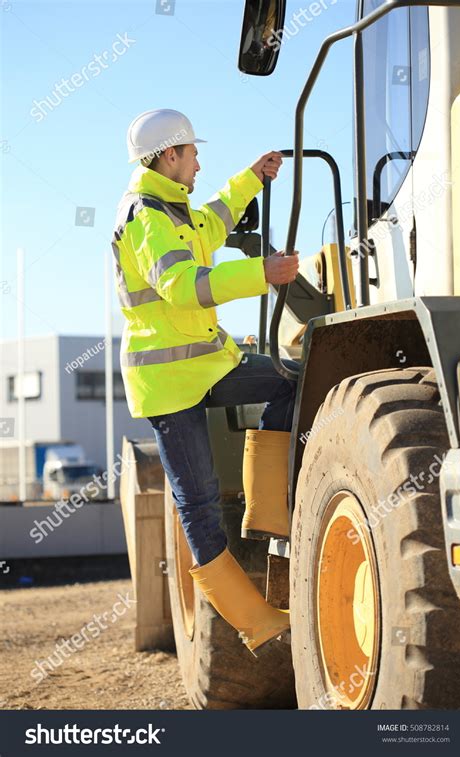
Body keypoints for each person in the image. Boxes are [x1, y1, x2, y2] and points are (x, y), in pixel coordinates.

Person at [113, 108, 299, 655]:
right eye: (193, 153)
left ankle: (266, 516)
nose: (199, 162)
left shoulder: (177, 210)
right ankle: (255, 621)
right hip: (168, 382)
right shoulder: (146, 217)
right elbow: (182, 286)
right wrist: (259, 274)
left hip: (207, 365)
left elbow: (216, 218)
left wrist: (253, 176)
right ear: (170, 156)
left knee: (288, 380)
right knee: (196, 504)